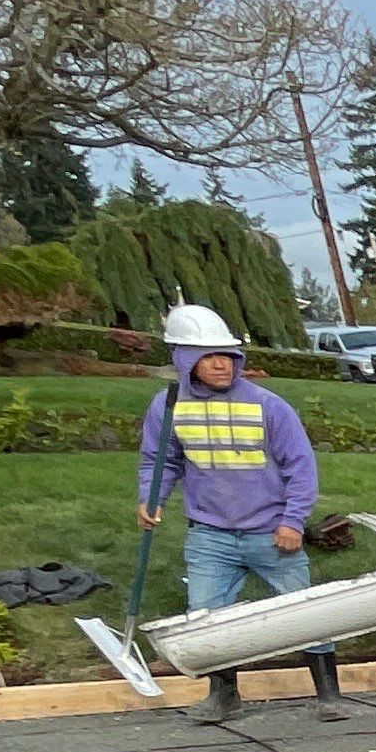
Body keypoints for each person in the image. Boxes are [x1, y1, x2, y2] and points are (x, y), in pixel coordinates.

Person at [138, 302, 346, 727]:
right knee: (207, 619)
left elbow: (300, 468)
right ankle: (224, 697)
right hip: (210, 535)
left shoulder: (269, 406)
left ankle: (328, 694)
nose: (222, 366)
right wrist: (151, 497)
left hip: (272, 532)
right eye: (209, 357)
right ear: (184, 360)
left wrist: (292, 521)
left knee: (306, 613)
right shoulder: (169, 407)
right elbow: (160, 461)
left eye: (228, 357)